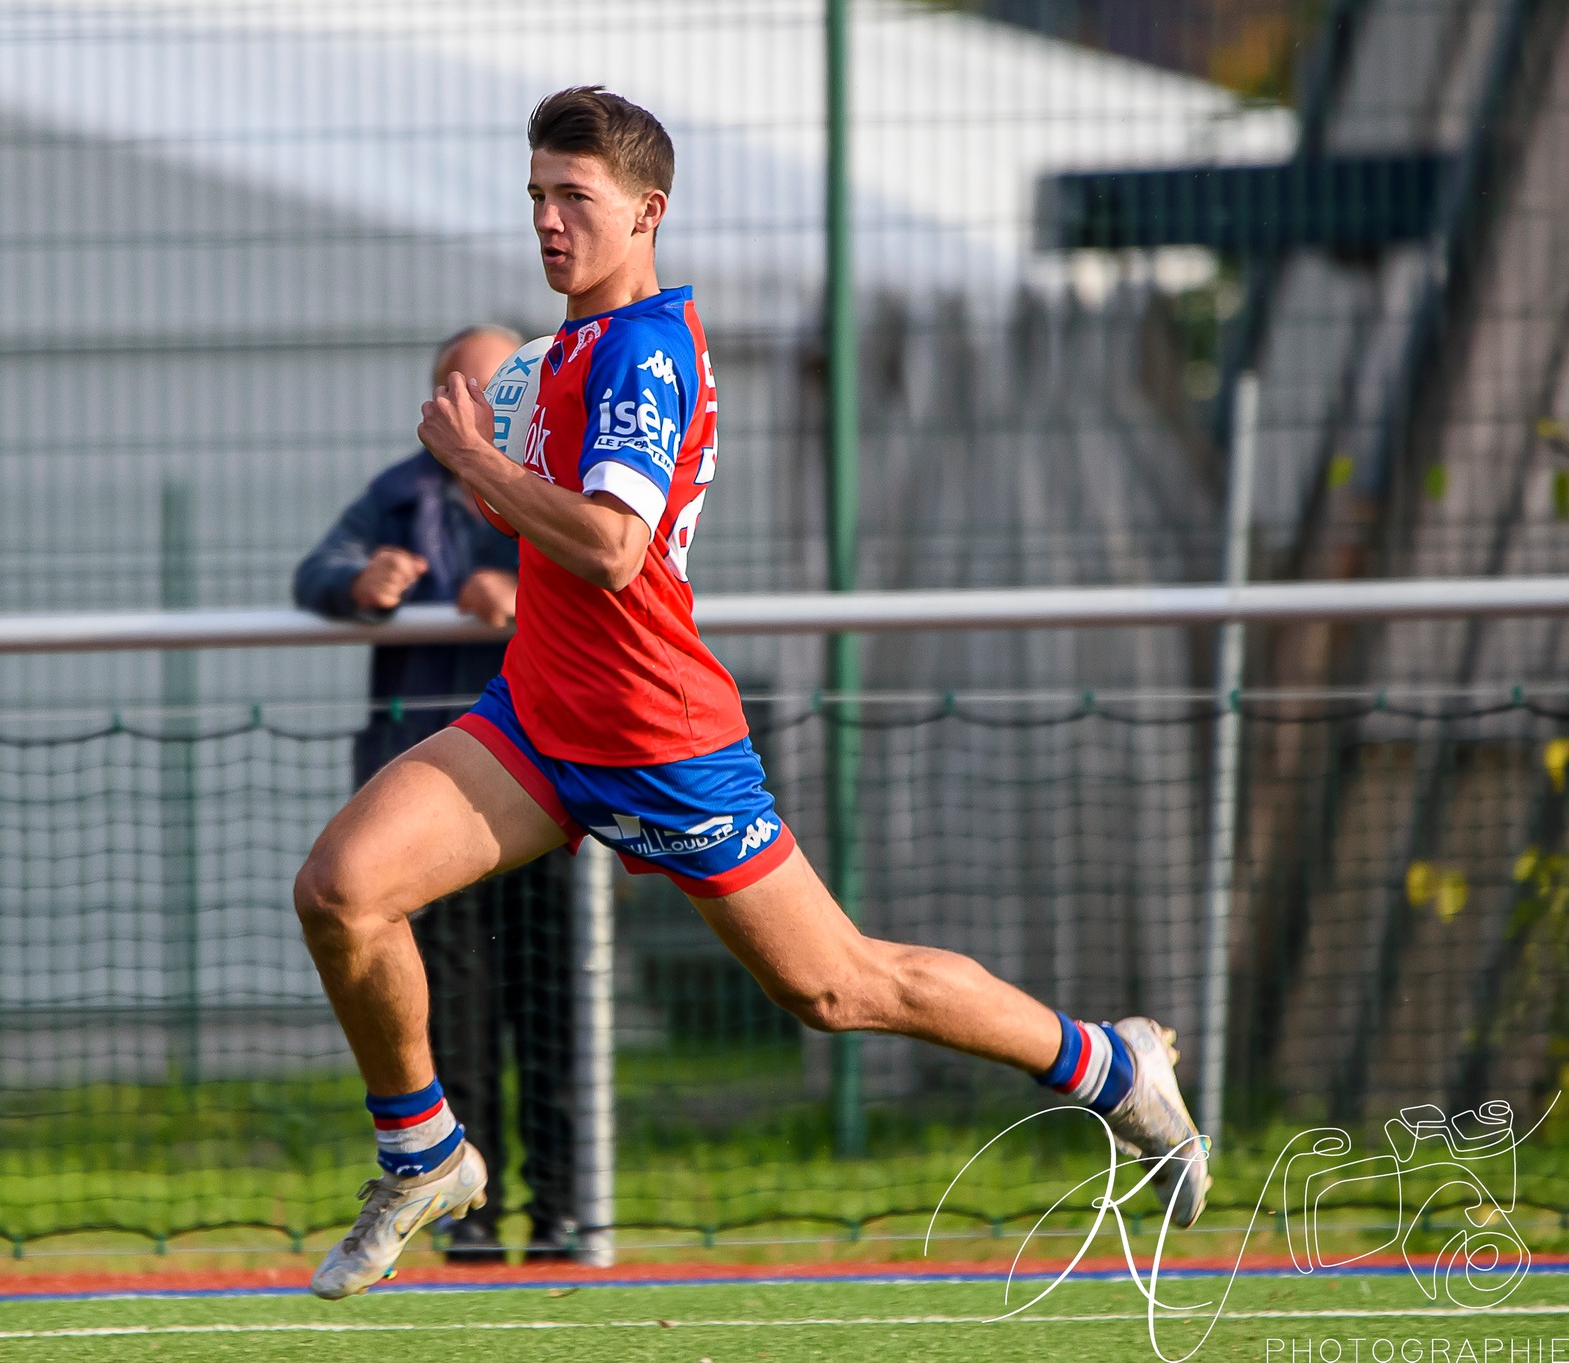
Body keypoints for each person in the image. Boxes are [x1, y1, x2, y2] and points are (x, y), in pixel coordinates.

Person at [294, 86, 1211, 1301]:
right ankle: (425, 1152)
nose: (548, 222)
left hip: (654, 736)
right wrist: (490, 463)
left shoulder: (643, 349)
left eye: (574, 198)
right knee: (341, 890)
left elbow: (613, 549)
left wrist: (472, 467)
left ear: (645, 212)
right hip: (535, 721)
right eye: (536, 197)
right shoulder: (557, 350)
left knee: (839, 986)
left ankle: (1107, 1063)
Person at [293, 325, 577, 1264]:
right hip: (425, 793)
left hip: (547, 782)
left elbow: (618, 572)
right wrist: (361, 584)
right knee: (440, 1000)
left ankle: (570, 1212)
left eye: (493, 385)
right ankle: (467, 1213)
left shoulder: (557, 481)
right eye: (452, 386)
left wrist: (521, 592)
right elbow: (317, 572)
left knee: (554, 1002)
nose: (472, 401)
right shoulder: (400, 496)